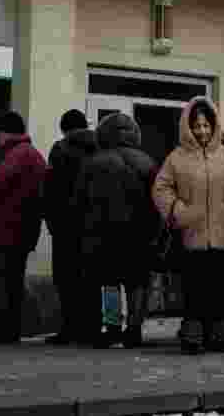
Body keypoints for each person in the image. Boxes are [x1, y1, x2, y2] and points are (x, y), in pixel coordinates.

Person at [154, 97, 224, 353]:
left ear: (214, 125)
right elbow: (161, 188)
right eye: (197, 126)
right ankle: (193, 336)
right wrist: (177, 210)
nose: (202, 131)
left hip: (221, 235)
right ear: (188, 127)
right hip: (191, 235)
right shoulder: (177, 158)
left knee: (219, 289)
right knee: (193, 289)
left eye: (206, 125)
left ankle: (220, 336)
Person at [74, 113, 159, 348]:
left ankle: (111, 328)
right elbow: (158, 203)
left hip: (102, 236)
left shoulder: (92, 162)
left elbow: (79, 203)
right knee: (136, 283)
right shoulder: (147, 163)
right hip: (138, 235)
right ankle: (133, 329)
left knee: (109, 282)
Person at [0, 112, 47, 344]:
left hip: (4, 230)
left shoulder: (16, 155)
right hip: (24, 230)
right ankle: (10, 330)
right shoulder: (34, 155)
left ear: (5, 133)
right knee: (13, 281)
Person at [44, 109, 99, 345]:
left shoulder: (60, 150)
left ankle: (70, 328)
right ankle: (92, 328)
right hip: (93, 225)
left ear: (64, 128)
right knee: (92, 277)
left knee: (66, 279)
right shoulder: (100, 147)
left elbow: (52, 188)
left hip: (66, 224)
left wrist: (51, 220)